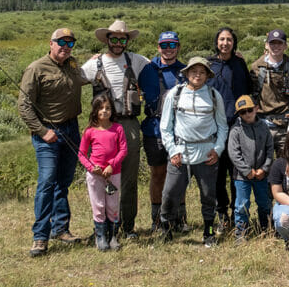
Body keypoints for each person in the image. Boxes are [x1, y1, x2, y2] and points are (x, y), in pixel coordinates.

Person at [17, 27, 89, 257]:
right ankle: (40, 236)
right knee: (47, 182)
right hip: (48, 133)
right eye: (61, 43)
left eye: (70, 44)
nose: (65, 48)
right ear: (50, 43)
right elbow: (24, 106)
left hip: (71, 129)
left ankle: (61, 229)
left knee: (63, 181)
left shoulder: (73, 65)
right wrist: (41, 130)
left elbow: (81, 79)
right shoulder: (36, 69)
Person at [81, 19, 150, 239]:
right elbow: (73, 79)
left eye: (123, 39)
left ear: (127, 41)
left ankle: (127, 226)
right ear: (107, 40)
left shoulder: (137, 61)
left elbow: (160, 63)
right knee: (101, 175)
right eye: (115, 39)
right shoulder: (94, 64)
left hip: (129, 124)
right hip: (103, 127)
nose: (119, 43)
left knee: (128, 178)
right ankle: (103, 227)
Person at [159, 56, 228, 247]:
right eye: (194, 71)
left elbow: (223, 126)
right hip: (180, 153)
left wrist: (218, 149)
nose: (198, 75)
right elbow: (166, 126)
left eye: (202, 72)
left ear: (207, 75)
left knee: (208, 196)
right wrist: (172, 151)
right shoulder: (175, 94)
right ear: (187, 73)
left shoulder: (214, 95)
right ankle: (165, 229)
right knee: (170, 193)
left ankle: (209, 232)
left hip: (207, 154)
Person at [137, 31, 186, 232]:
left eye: (172, 45)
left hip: (179, 131)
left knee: (179, 173)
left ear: (178, 47)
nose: (168, 49)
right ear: (158, 47)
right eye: (164, 45)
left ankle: (179, 219)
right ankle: (157, 220)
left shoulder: (185, 70)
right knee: (158, 174)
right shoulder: (147, 69)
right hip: (154, 129)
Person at [208, 26, 253, 232]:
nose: (225, 43)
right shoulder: (210, 65)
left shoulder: (240, 64)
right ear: (216, 42)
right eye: (221, 39)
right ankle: (222, 214)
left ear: (234, 43)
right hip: (216, 127)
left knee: (238, 173)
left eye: (229, 40)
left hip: (237, 126)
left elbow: (248, 92)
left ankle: (239, 216)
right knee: (218, 173)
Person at [78, 96, 128, 252]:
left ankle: (113, 235)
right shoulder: (89, 131)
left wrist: (112, 165)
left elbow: (123, 150)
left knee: (113, 205)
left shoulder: (118, 128)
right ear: (95, 111)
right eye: (101, 108)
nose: (104, 111)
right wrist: (91, 167)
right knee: (98, 205)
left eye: (107, 108)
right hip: (95, 175)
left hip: (113, 174)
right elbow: (81, 153)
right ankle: (100, 236)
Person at [228, 95, 275, 239]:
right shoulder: (236, 130)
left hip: (261, 175)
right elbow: (234, 153)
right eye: (243, 112)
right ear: (239, 114)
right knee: (241, 205)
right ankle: (241, 233)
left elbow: (269, 149)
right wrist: (246, 171)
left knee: (265, 203)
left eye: (249, 110)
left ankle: (266, 228)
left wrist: (265, 168)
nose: (247, 114)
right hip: (242, 177)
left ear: (256, 109)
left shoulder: (264, 127)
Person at [250, 28, 289, 155]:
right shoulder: (256, 67)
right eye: (272, 43)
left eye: (279, 43)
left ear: (285, 46)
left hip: (285, 125)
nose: (276, 46)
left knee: (287, 163)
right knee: (262, 164)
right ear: (266, 45)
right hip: (263, 123)